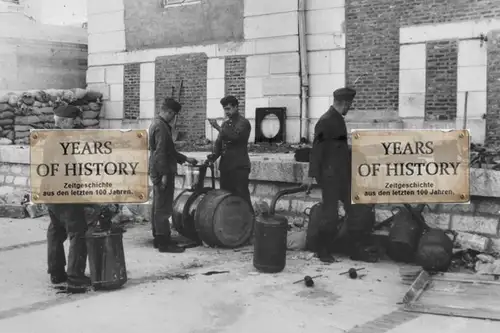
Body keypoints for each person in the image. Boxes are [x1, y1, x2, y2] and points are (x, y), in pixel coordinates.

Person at [44, 105, 90, 290]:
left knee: (56, 232)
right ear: (62, 121)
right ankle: (75, 277)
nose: (75, 123)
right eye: (72, 120)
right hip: (63, 193)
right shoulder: (59, 140)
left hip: (51, 192)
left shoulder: (52, 137)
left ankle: (56, 272)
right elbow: (66, 171)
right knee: (78, 232)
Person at [149, 97, 197, 253]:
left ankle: (159, 238)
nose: (174, 118)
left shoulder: (157, 123)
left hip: (158, 169)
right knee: (163, 207)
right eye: (174, 115)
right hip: (163, 171)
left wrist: (184, 159)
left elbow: (169, 151)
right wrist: (163, 175)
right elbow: (161, 153)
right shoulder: (162, 127)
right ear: (169, 112)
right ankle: (164, 242)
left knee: (158, 205)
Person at [206, 96, 252, 207]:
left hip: (239, 167)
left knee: (242, 197)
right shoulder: (225, 124)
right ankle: (230, 221)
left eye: (228, 109)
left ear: (236, 107)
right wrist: (214, 155)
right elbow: (219, 143)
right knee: (225, 197)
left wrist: (217, 127)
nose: (226, 112)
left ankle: (248, 220)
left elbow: (234, 137)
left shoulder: (244, 123)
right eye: (225, 109)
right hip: (226, 167)